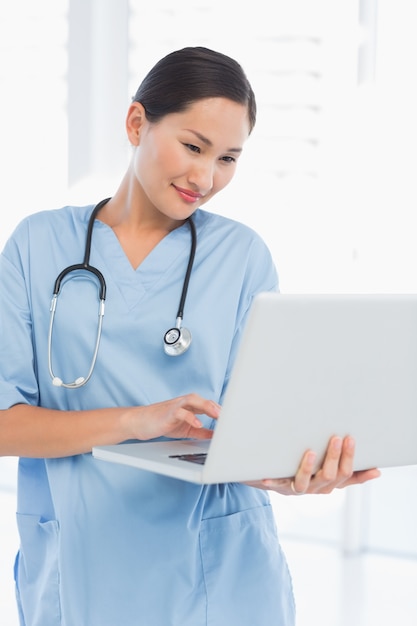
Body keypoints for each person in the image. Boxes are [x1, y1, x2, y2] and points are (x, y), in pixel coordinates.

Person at [0, 46, 380, 626]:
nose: (206, 177)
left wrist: (291, 470)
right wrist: (138, 419)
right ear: (136, 123)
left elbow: (250, 427)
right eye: (193, 146)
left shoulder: (243, 256)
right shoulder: (37, 245)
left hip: (222, 572)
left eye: (228, 158)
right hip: (80, 566)